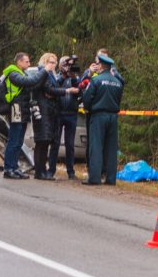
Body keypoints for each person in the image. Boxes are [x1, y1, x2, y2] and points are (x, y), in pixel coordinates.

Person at [31, 53, 79, 180]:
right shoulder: (44, 73)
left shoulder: (51, 74)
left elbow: (54, 88)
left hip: (54, 112)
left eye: (54, 62)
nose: (53, 64)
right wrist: (66, 90)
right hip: (45, 110)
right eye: (51, 62)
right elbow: (48, 89)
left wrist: (67, 78)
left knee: (46, 141)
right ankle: (41, 171)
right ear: (45, 62)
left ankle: (42, 171)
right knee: (42, 142)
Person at [1, 53, 47, 179]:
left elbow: (33, 85)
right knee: (14, 140)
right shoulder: (13, 74)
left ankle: (15, 167)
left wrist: (44, 75)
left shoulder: (22, 74)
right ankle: (8, 168)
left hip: (23, 110)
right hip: (16, 109)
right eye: (26, 62)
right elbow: (29, 82)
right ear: (19, 62)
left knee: (19, 142)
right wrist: (44, 72)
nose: (29, 64)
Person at [81, 54, 123, 186]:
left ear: (101, 66)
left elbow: (87, 99)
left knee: (96, 146)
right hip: (113, 116)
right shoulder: (117, 82)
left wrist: (88, 107)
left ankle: (94, 178)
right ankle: (111, 179)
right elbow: (118, 100)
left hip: (98, 116)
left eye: (98, 64)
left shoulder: (96, 80)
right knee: (111, 148)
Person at [48, 56, 81, 180]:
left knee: (70, 144)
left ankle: (71, 172)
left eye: (71, 65)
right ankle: (51, 170)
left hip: (71, 114)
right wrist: (63, 76)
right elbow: (55, 87)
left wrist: (72, 77)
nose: (69, 68)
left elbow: (79, 91)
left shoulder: (75, 77)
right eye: (67, 65)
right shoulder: (56, 76)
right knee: (55, 142)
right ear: (61, 65)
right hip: (59, 113)